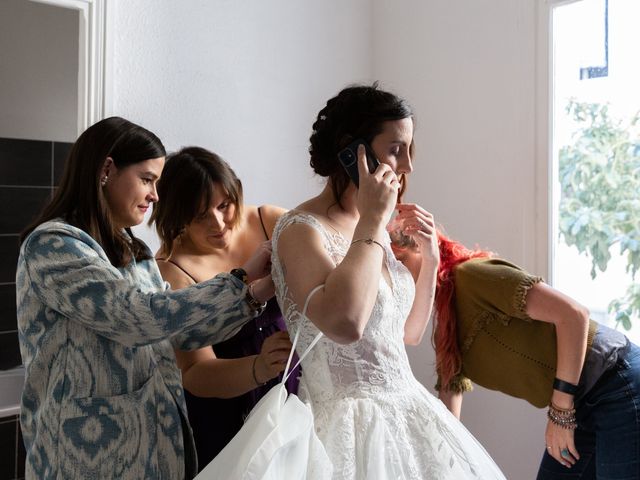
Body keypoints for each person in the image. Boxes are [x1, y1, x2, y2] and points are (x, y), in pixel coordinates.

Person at [16, 117, 273, 479]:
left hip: (153, 455)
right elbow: (136, 316)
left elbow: (179, 334)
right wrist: (241, 279)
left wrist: (257, 291)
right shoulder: (53, 246)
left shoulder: (132, 251)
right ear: (107, 169)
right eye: (148, 180)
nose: (155, 195)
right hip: (84, 461)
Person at [270, 84, 506, 479]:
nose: (408, 166)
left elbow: (406, 335)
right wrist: (372, 221)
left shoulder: (373, 227)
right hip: (345, 427)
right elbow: (347, 324)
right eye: (397, 149)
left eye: (410, 150)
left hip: (409, 409)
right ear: (352, 149)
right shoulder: (300, 230)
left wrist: (430, 259)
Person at [393, 230, 640, 480]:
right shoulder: (446, 326)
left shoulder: (473, 276)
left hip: (616, 380)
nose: (395, 277)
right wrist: (437, 459)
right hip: (581, 403)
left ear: (421, 249)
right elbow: (449, 404)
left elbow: (574, 315)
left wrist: (560, 414)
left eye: (399, 262)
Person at [149, 146, 297, 469]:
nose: (219, 222)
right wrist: (260, 365)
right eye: (201, 216)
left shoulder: (268, 220)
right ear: (177, 217)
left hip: (290, 385)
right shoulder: (174, 269)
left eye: (224, 205)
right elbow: (195, 372)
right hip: (225, 408)